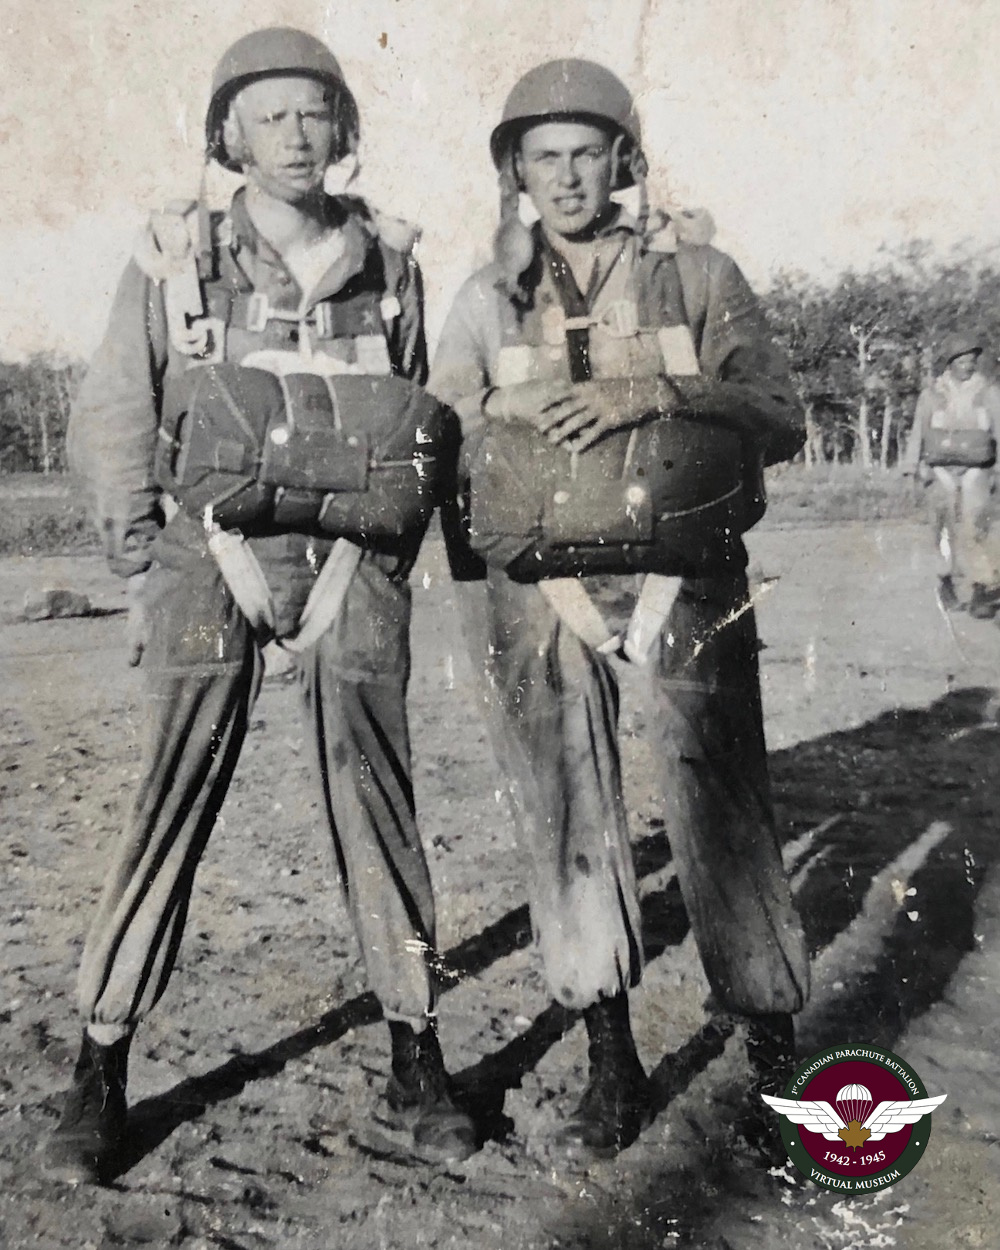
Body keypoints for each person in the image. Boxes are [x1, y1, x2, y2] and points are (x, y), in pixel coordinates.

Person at [44, 26, 475, 1183]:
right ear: (226, 134)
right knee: (167, 799)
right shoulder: (175, 258)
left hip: (352, 570)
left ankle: (415, 1052)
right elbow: (116, 415)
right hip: (207, 556)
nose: (294, 134)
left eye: (314, 111)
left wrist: (389, 556)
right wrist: (142, 561)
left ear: (344, 129)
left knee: (378, 800)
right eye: (268, 114)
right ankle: (100, 1061)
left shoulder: (390, 261)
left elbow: (423, 418)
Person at [429, 59, 810, 1159]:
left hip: (682, 569)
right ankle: (610, 1054)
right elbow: (439, 419)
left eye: (585, 151)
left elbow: (776, 409)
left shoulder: (697, 271)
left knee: (721, 797)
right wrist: (502, 397)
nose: (565, 175)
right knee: (564, 805)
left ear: (623, 161)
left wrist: (653, 391)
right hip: (538, 580)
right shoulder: (484, 292)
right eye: (541, 156)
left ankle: (773, 1043)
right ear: (514, 171)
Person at [903, 331, 1000, 618]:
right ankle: (946, 584)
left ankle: (981, 588)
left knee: (975, 526)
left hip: (976, 469)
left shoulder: (989, 392)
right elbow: (918, 432)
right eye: (961, 360)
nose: (968, 366)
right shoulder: (932, 394)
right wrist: (911, 468)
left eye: (972, 360)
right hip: (939, 469)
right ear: (950, 363)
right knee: (942, 529)